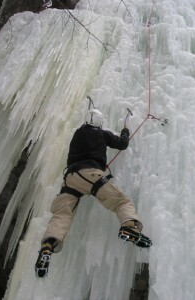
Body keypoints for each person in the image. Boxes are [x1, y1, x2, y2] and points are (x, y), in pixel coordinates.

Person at [35, 108, 152, 278]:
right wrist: (125, 131)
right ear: (99, 123)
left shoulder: (77, 134)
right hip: (91, 174)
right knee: (121, 202)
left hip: (70, 178)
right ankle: (129, 227)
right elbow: (122, 144)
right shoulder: (101, 134)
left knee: (62, 214)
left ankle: (48, 244)